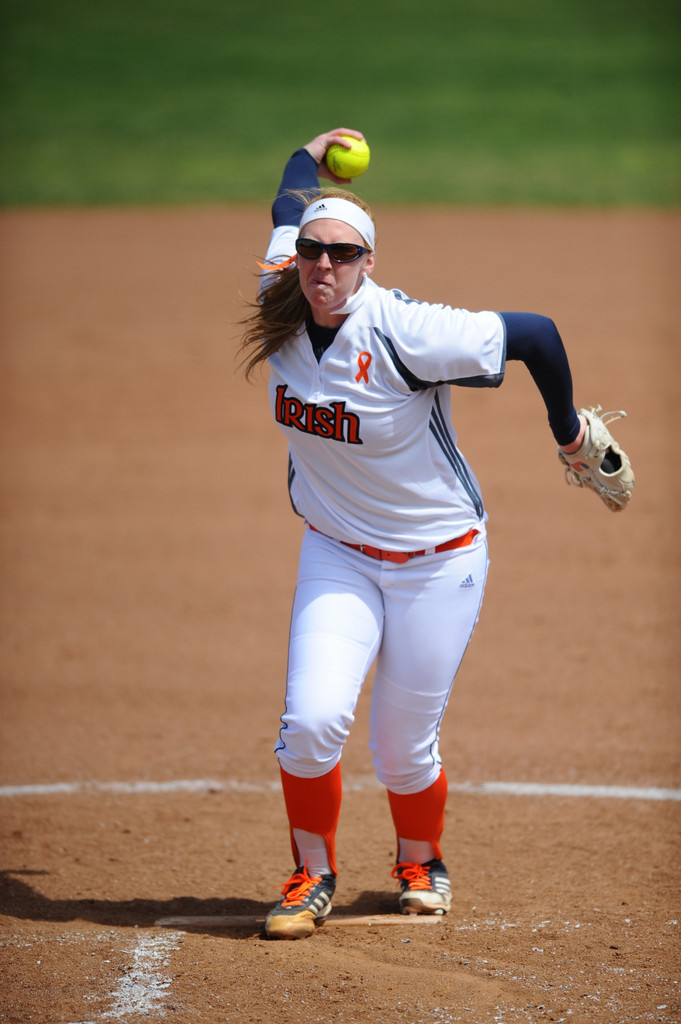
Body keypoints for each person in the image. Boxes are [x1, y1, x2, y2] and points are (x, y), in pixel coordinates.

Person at [239, 127, 589, 940]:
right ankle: (310, 875)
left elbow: (533, 332)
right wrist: (308, 147)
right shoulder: (279, 298)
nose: (323, 266)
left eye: (343, 254)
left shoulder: (408, 332)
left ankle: (419, 860)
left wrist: (567, 432)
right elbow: (290, 198)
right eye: (312, 251)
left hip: (440, 563)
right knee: (313, 722)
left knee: (402, 748)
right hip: (336, 553)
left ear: (367, 263)